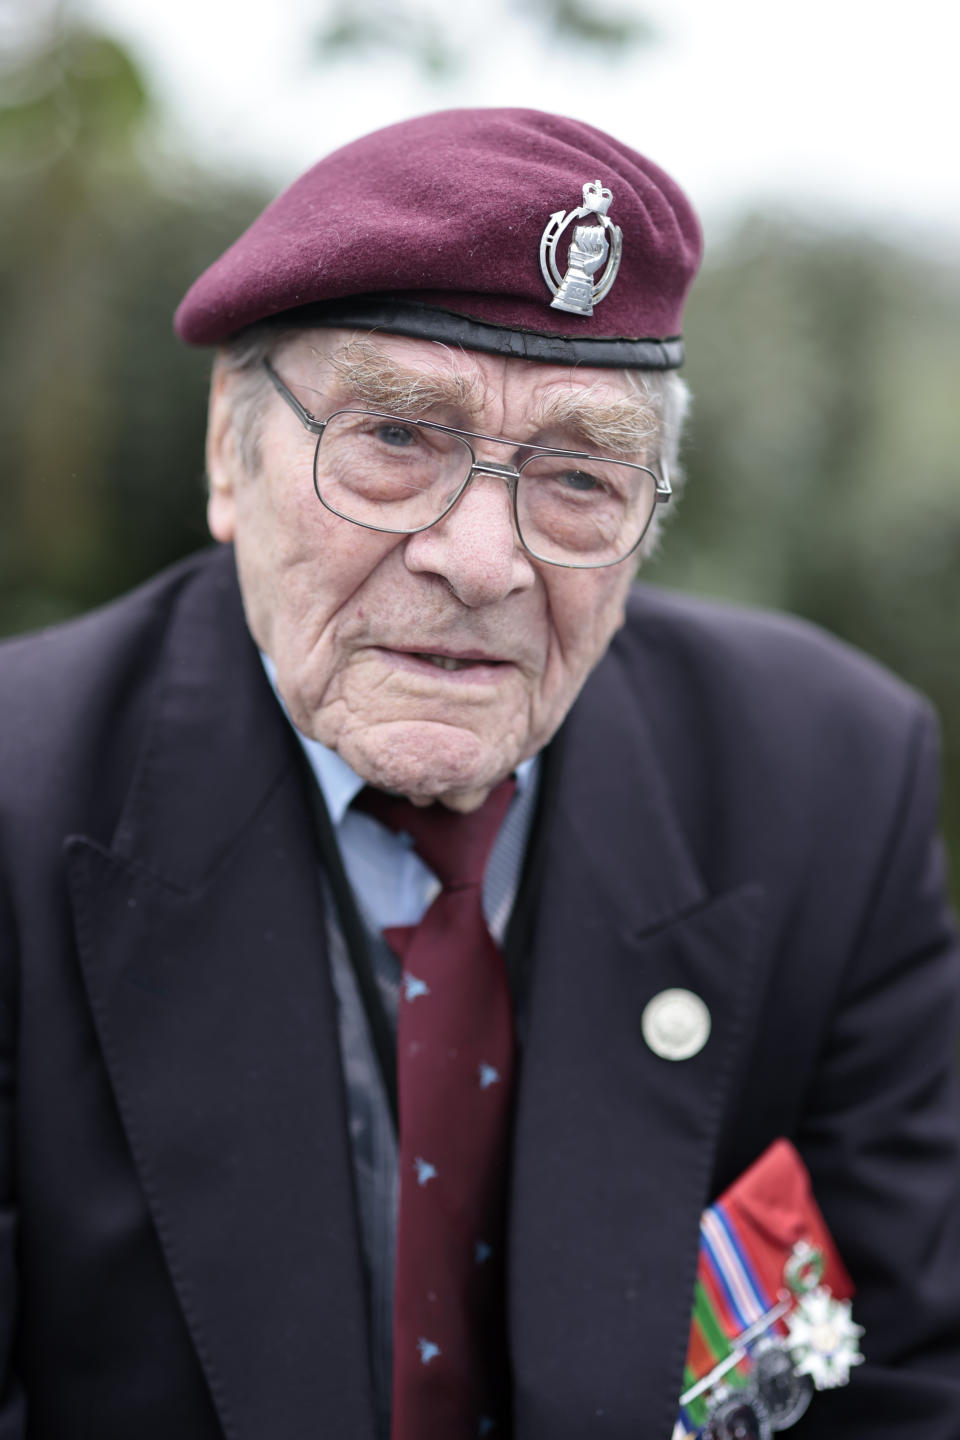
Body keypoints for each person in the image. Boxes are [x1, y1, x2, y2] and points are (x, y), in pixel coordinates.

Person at [0, 108, 958, 1440]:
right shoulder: (18, 799)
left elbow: (906, 1379)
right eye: (398, 440)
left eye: (576, 474)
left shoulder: (829, 785)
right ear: (232, 448)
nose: (483, 558)